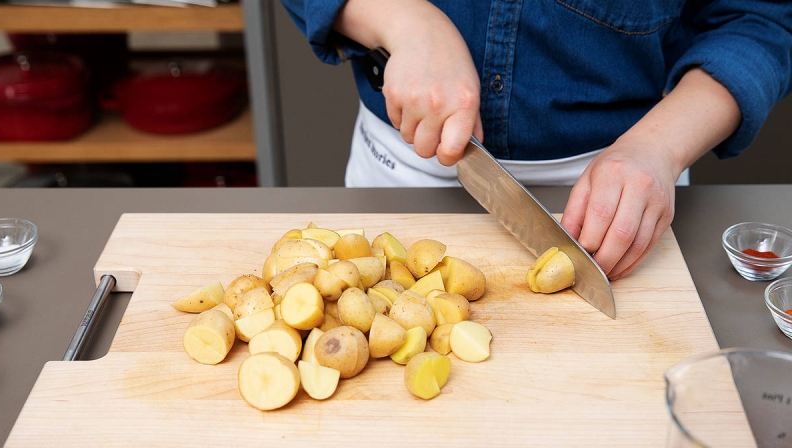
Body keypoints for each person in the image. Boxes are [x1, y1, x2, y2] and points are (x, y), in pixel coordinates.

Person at [280, 0, 792, 279]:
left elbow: (761, 18)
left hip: (627, 189)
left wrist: (657, 147)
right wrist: (405, 18)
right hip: (403, 166)